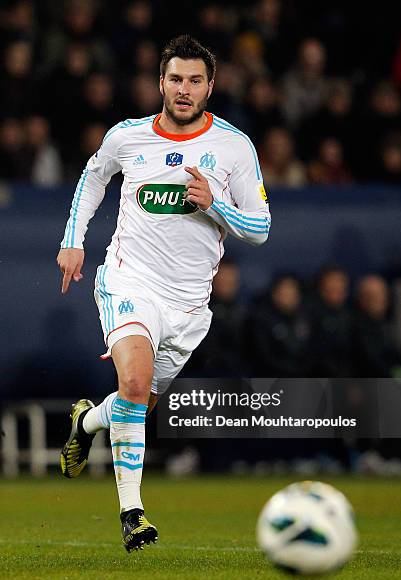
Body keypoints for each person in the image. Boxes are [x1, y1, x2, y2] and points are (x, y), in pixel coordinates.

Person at [56, 35, 271, 553]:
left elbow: (260, 227)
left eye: (195, 80)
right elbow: (92, 178)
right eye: (175, 78)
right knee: (134, 381)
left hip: (190, 305)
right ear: (161, 82)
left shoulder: (234, 146)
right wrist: (72, 241)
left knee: (137, 402)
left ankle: (86, 421)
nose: (184, 89)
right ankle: (133, 514)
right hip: (131, 280)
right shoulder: (127, 137)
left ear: (210, 87)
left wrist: (215, 205)